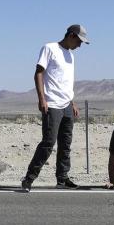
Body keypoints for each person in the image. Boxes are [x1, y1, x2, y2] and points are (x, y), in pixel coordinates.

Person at [20, 24, 89, 192]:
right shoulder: (49, 48)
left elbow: (66, 81)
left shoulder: (71, 56)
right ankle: (29, 178)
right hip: (52, 104)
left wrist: (72, 102)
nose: (80, 45)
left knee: (66, 144)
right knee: (48, 143)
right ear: (71, 35)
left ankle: (62, 178)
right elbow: (38, 73)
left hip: (66, 105)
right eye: (79, 41)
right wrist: (41, 99)